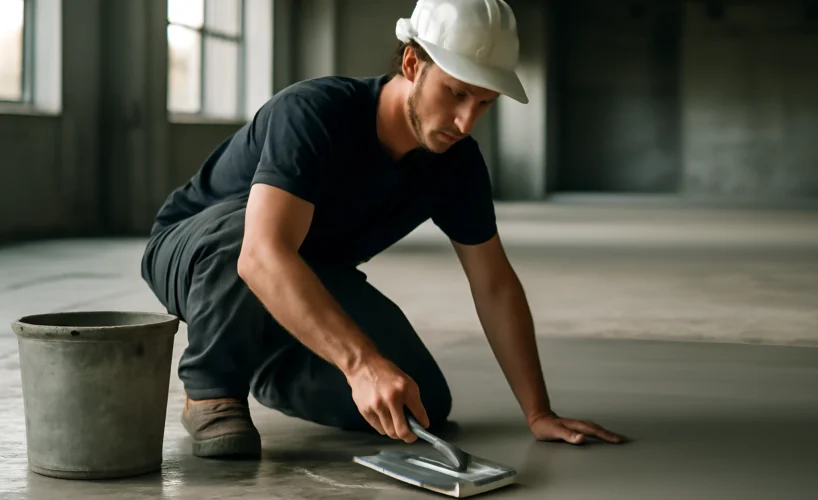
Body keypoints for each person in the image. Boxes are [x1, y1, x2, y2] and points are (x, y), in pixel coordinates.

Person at [141, 0, 627, 458]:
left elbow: (494, 284)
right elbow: (260, 256)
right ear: (413, 64)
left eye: (483, 103)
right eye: (456, 93)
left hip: (307, 268)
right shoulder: (316, 112)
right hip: (198, 249)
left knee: (421, 403)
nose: (465, 121)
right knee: (250, 231)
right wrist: (360, 365)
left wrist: (537, 411)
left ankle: (268, 351)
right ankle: (212, 390)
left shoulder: (456, 164)